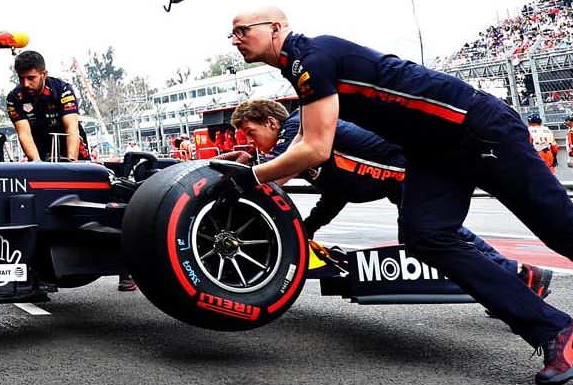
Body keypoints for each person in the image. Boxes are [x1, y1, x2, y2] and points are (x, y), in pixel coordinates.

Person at [226, 6, 573, 385]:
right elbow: (318, 149)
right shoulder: (302, 68)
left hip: (479, 130)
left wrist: (251, 177)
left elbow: (314, 147)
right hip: (433, 149)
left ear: (277, 28)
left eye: (241, 29)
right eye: (231, 33)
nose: (234, 38)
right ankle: (555, 332)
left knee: (570, 234)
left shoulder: (312, 57)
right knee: (425, 234)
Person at [225, 99, 551, 294]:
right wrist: (308, 230)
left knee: (428, 238)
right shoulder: (306, 148)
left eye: (252, 133)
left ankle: (516, 276)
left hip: (416, 166)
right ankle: (518, 276)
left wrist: (243, 169)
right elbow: (336, 194)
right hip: (404, 175)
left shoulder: (299, 130)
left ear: (271, 121)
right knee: (435, 236)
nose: (253, 143)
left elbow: (271, 177)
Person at [4, 51, 84, 162]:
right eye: (21, 78)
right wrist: (37, 165)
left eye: (31, 78)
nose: (26, 84)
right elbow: (24, 134)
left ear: (44, 74)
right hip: (40, 147)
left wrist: (72, 163)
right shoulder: (14, 98)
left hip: (70, 145)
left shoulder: (62, 89)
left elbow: (72, 128)